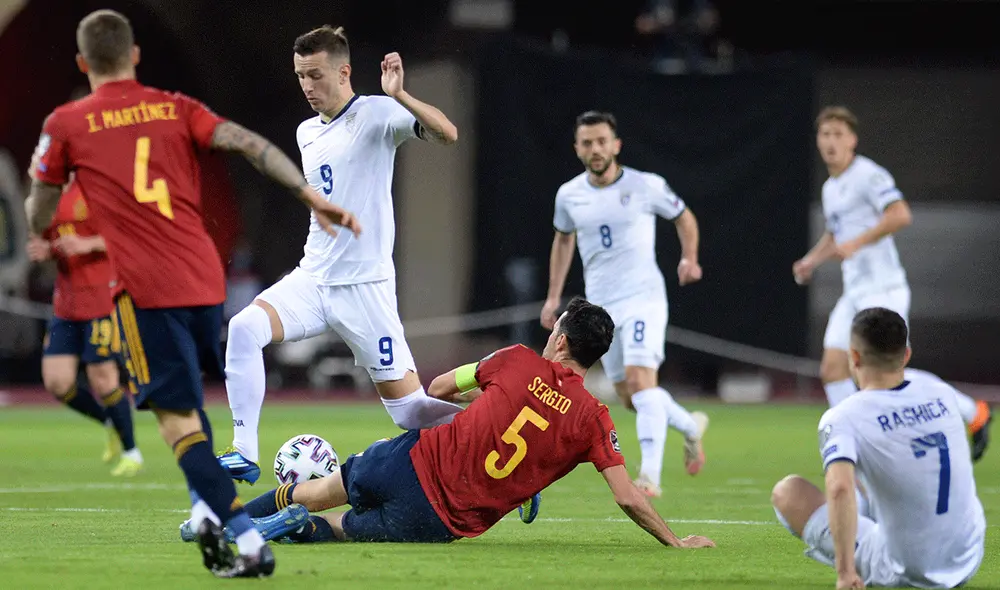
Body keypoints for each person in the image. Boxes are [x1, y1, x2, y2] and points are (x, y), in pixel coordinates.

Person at [26, 9, 359, 578]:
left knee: (178, 425)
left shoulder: (66, 122)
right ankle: (208, 513)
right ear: (134, 56)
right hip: (206, 282)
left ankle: (246, 542)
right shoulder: (176, 106)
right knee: (191, 416)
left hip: (145, 291)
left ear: (85, 63)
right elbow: (249, 144)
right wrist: (309, 193)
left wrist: (42, 227)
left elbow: (40, 203)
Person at [189, 297, 714, 550]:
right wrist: (674, 541)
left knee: (315, 490)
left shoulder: (513, 360)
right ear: (595, 356)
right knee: (336, 529)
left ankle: (216, 521)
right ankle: (286, 533)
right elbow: (627, 496)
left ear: (558, 339)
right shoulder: (594, 420)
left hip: (408, 459)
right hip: (438, 520)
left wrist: (482, 413)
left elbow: (436, 389)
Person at [219, 25, 461, 484]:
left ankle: (489, 440)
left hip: (365, 289)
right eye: (300, 77)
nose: (307, 86)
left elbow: (447, 133)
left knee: (410, 412)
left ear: (344, 71)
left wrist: (402, 95)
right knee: (244, 327)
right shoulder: (306, 131)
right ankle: (243, 453)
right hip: (313, 279)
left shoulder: (378, 113)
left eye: (315, 75)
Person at [793, 105, 991, 449]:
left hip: (883, 290)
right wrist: (811, 260)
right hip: (854, 293)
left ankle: (973, 412)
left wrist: (859, 241)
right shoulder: (831, 187)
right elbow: (835, 233)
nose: (831, 142)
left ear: (852, 140)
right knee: (832, 368)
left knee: (889, 371)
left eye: (838, 134)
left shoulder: (868, 175)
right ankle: (853, 440)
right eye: (825, 134)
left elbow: (900, 215)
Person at [539, 110, 708, 498]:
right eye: (587, 143)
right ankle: (689, 426)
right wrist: (553, 296)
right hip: (603, 308)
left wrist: (690, 257)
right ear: (577, 148)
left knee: (639, 381)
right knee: (633, 397)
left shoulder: (646, 185)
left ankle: (649, 477)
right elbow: (563, 241)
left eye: (602, 141)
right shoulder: (569, 195)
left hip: (644, 298)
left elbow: (684, 218)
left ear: (616, 145)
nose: (595, 149)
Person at [771, 307, 985, 590]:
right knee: (871, 480)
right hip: (969, 555)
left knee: (789, 492)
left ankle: (862, 563)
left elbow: (839, 489)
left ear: (854, 357)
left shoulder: (846, 416)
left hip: (911, 571)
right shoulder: (939, 390)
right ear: (906, 355)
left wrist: (845, 573)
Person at [26, 178, 142, 476]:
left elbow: (128, 235)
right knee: (57, 382)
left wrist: (88, 243)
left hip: (101, 300)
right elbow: (53, 240)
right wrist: (47, 250)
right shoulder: (46, 198)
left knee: (103, 379)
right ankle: (108, 421)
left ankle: (132, 452)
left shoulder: (96, 189)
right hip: (66, 304)